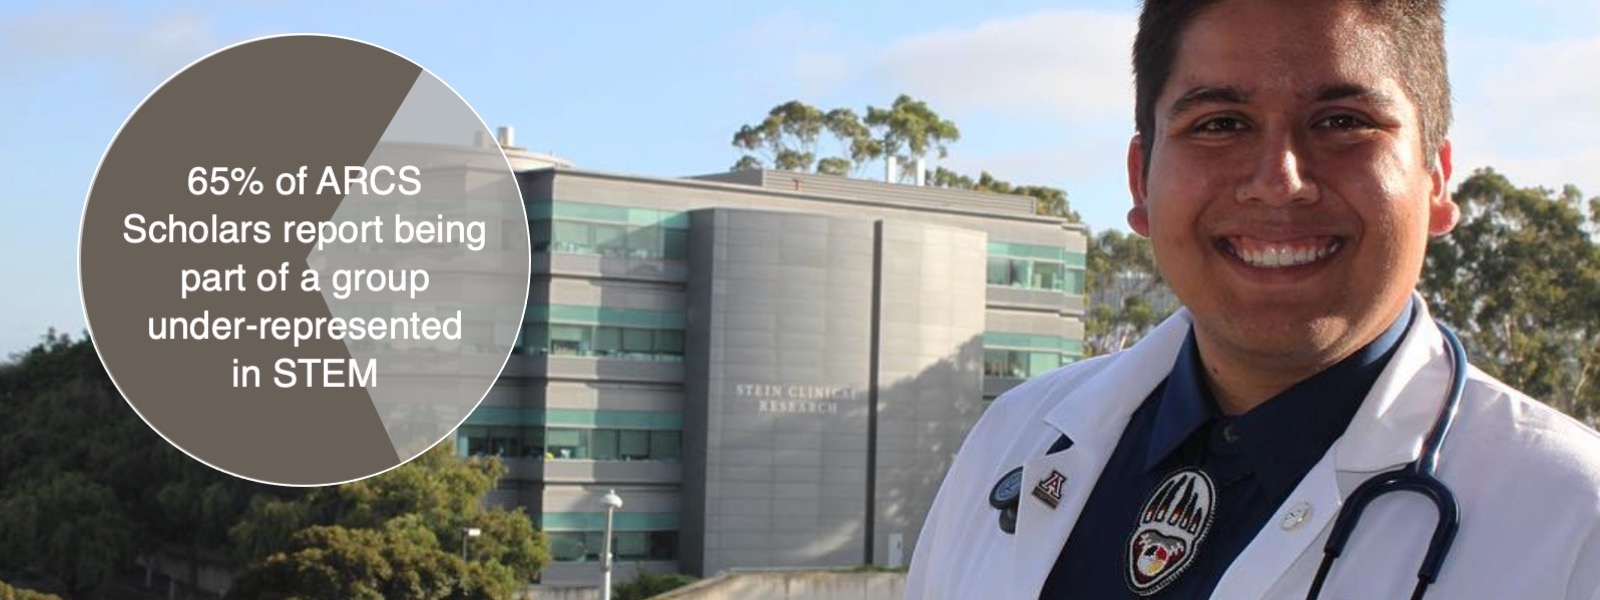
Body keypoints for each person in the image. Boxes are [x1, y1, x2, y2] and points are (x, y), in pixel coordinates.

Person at [906, 0, 1600, 598]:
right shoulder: (1012, 441)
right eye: (1220, 124)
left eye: (1342, 122)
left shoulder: (1573, 519)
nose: (1279, 181)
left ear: (1438, 179)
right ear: (1140, 180)